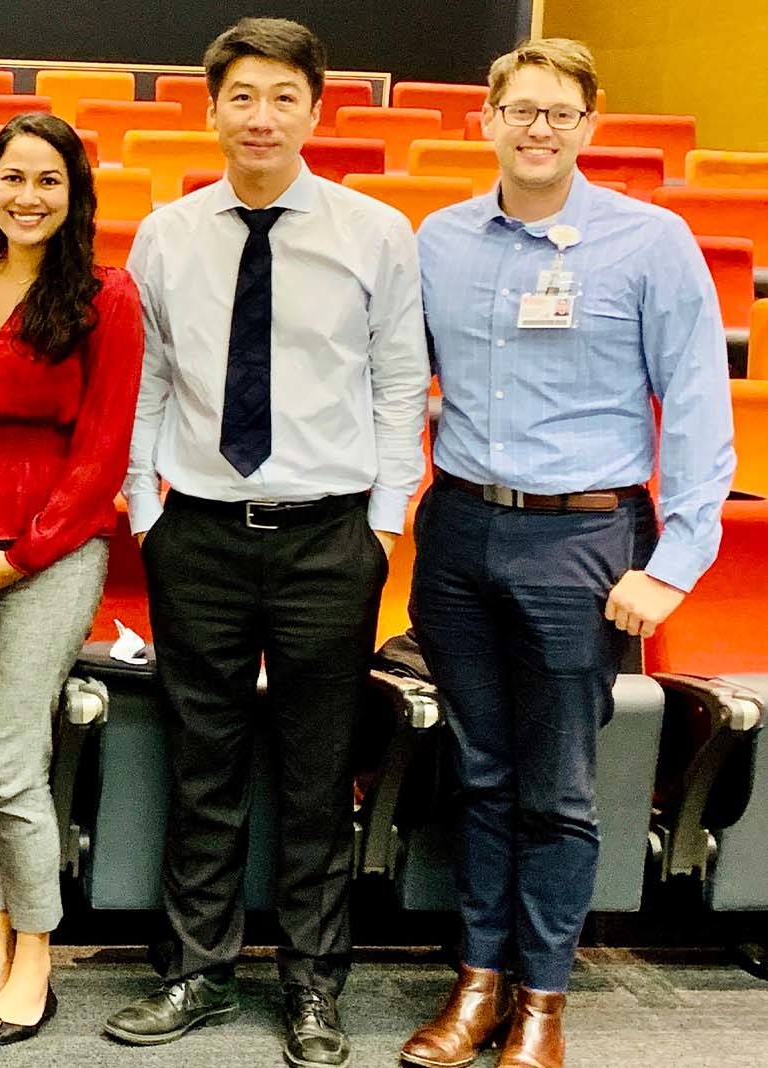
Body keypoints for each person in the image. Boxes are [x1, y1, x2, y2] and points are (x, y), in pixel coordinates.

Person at [401, 39, 734, 1068]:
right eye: (521, 110)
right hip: (458, 530)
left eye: (560, 113)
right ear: (487, 120)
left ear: (589, 128)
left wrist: (673, 561)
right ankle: (478, 982)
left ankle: (542, 998)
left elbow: (697, 409)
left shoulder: (650, 241)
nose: (539, 128)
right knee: (480, 769)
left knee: (560, 785)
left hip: (586, 538)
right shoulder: (439, 240)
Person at [103, 18, 429, 1068]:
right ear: (211, 109)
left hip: (329, 537)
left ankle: (312, 985)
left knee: (315, 766)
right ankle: (196, 971)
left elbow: (395, 391)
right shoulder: (168, 234)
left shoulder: (376, 232)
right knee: (203, 763)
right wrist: (147, 514)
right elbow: (146, 383)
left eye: (284, 97)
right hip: (195, 531)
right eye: (242, 95)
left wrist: (382, 529)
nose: (261, 116)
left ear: (316, 110)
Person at [0, 113, 142, 1047]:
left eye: (49, 180)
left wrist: (26, 553)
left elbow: (104, 451)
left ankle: (36, 963)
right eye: (13, 178)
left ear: (75, 194)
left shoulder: (104, 295)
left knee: (12, 759)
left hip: (50, 555)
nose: (28, 196)